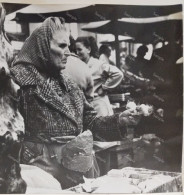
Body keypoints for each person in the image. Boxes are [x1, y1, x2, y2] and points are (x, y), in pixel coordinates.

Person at [10, 17, 141, 189]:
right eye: (61, 46)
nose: (68, 53)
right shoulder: (18, 83)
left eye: (69, 47)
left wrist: (120, 120)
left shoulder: (69, 84)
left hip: (76, 168)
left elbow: (91, 123)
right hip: (39, 173)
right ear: (42, 47)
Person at [75, 36, 123, 117]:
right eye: (75, 50)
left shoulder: (98, 64)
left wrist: (104, 87)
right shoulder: (79, 65)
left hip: (99, 106)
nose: (77, 52)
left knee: (102, 128)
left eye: (79, 49)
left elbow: (118, 73)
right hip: (87, 107)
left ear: (88, 49)